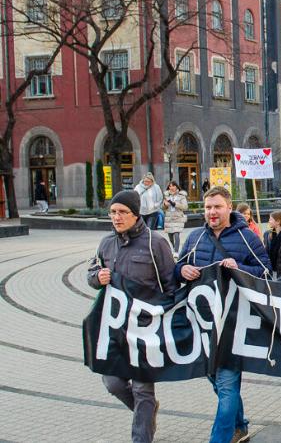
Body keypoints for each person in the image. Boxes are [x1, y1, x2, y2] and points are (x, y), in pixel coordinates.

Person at [175, 186, 270, 443]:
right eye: (208, 207)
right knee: (216, 380)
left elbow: (266, 271)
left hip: (234, 323)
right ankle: (240, 425)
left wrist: (238, 267)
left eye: (217, 206)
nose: (212, 212)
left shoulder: (247, 238)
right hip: (202, 323)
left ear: (229, 207)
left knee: (227, 386)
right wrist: (182, 270)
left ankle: (220, 438)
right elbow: (176, 268)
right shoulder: (195, 237)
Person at [87, 190, 177, 443]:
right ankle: (147, 412)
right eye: (113, 212)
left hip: (144, 330)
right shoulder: (106, 243)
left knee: (142, 390)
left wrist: (161, 318)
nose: (116, 217)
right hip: (114, 328)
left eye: (122, 212)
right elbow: (92, 270)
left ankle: (141, 437)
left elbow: (171, 286)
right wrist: (96, 278)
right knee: (113, 383)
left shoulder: (155, 243)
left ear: (136, 214)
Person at [163, 181, 188, 255]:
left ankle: (176, 252)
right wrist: (165, 205)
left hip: (178, 218)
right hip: (169, 218)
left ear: (176, 187)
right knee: (170, 236)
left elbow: (185, 207)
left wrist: (175, 204)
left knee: (176, 234)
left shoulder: (181, 196)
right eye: (170, 186)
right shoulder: (166, 196)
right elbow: (162, 208)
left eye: (173, 186)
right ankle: (174, 248)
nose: (171, 188)